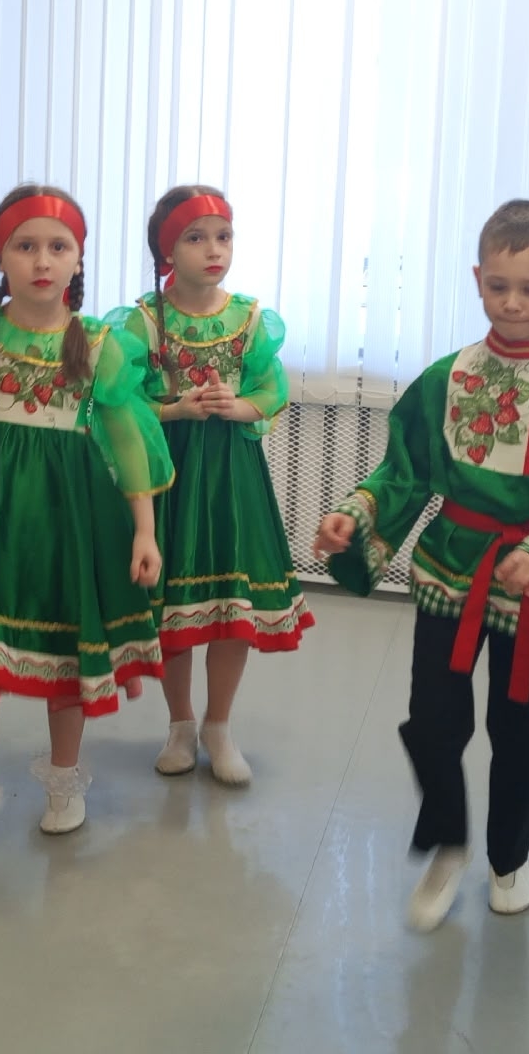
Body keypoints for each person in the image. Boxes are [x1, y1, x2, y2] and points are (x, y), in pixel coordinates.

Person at [312, 197, 529, 930]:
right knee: (433, 721)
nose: (512, 303)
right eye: (498, 286)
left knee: (524, 733)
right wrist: (357, 513)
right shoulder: (447, 378)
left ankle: (509, 856)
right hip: (450, 570)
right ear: (477, 279)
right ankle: (447, 841)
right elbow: (404, 471)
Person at [0, 183, 172, 873]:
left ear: (78, 259)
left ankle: (64, 781)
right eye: (25, 246)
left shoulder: (99, 344)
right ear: (1, 256)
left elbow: (128, 440)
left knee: (64, 656)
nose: (42, 261)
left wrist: (144, 530)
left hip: (67, 516)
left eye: (58, 246)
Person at [111, 184, 312, 786]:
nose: (213, 249)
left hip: (231, 475)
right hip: (169, 474)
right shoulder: (144, 321)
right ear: (166, 250)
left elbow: (270, 391)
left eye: (223, 236)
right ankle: (180, 724)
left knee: (231, 607)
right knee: (175, 607)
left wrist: (237, 406)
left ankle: (219, 725)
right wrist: (175, 409)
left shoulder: (248, 318)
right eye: (196, 238)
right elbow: (119, 403)